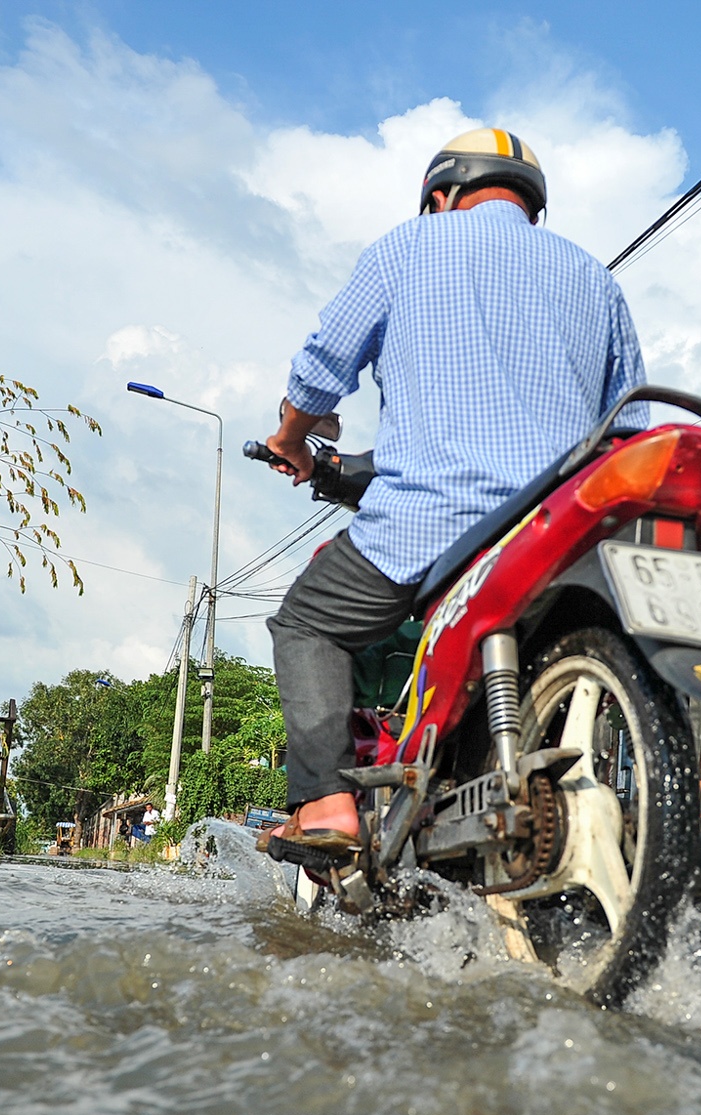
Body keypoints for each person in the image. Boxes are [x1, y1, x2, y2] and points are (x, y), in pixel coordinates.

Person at [260, 127, 649, 856]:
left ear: (442, 197)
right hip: (562, 532)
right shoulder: (594, 278)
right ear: (530, 204)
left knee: (306, 623)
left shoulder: (408, 247)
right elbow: (629, 424)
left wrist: (289, 439)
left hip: (431, 525)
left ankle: (325, 804)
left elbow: (322, 366)